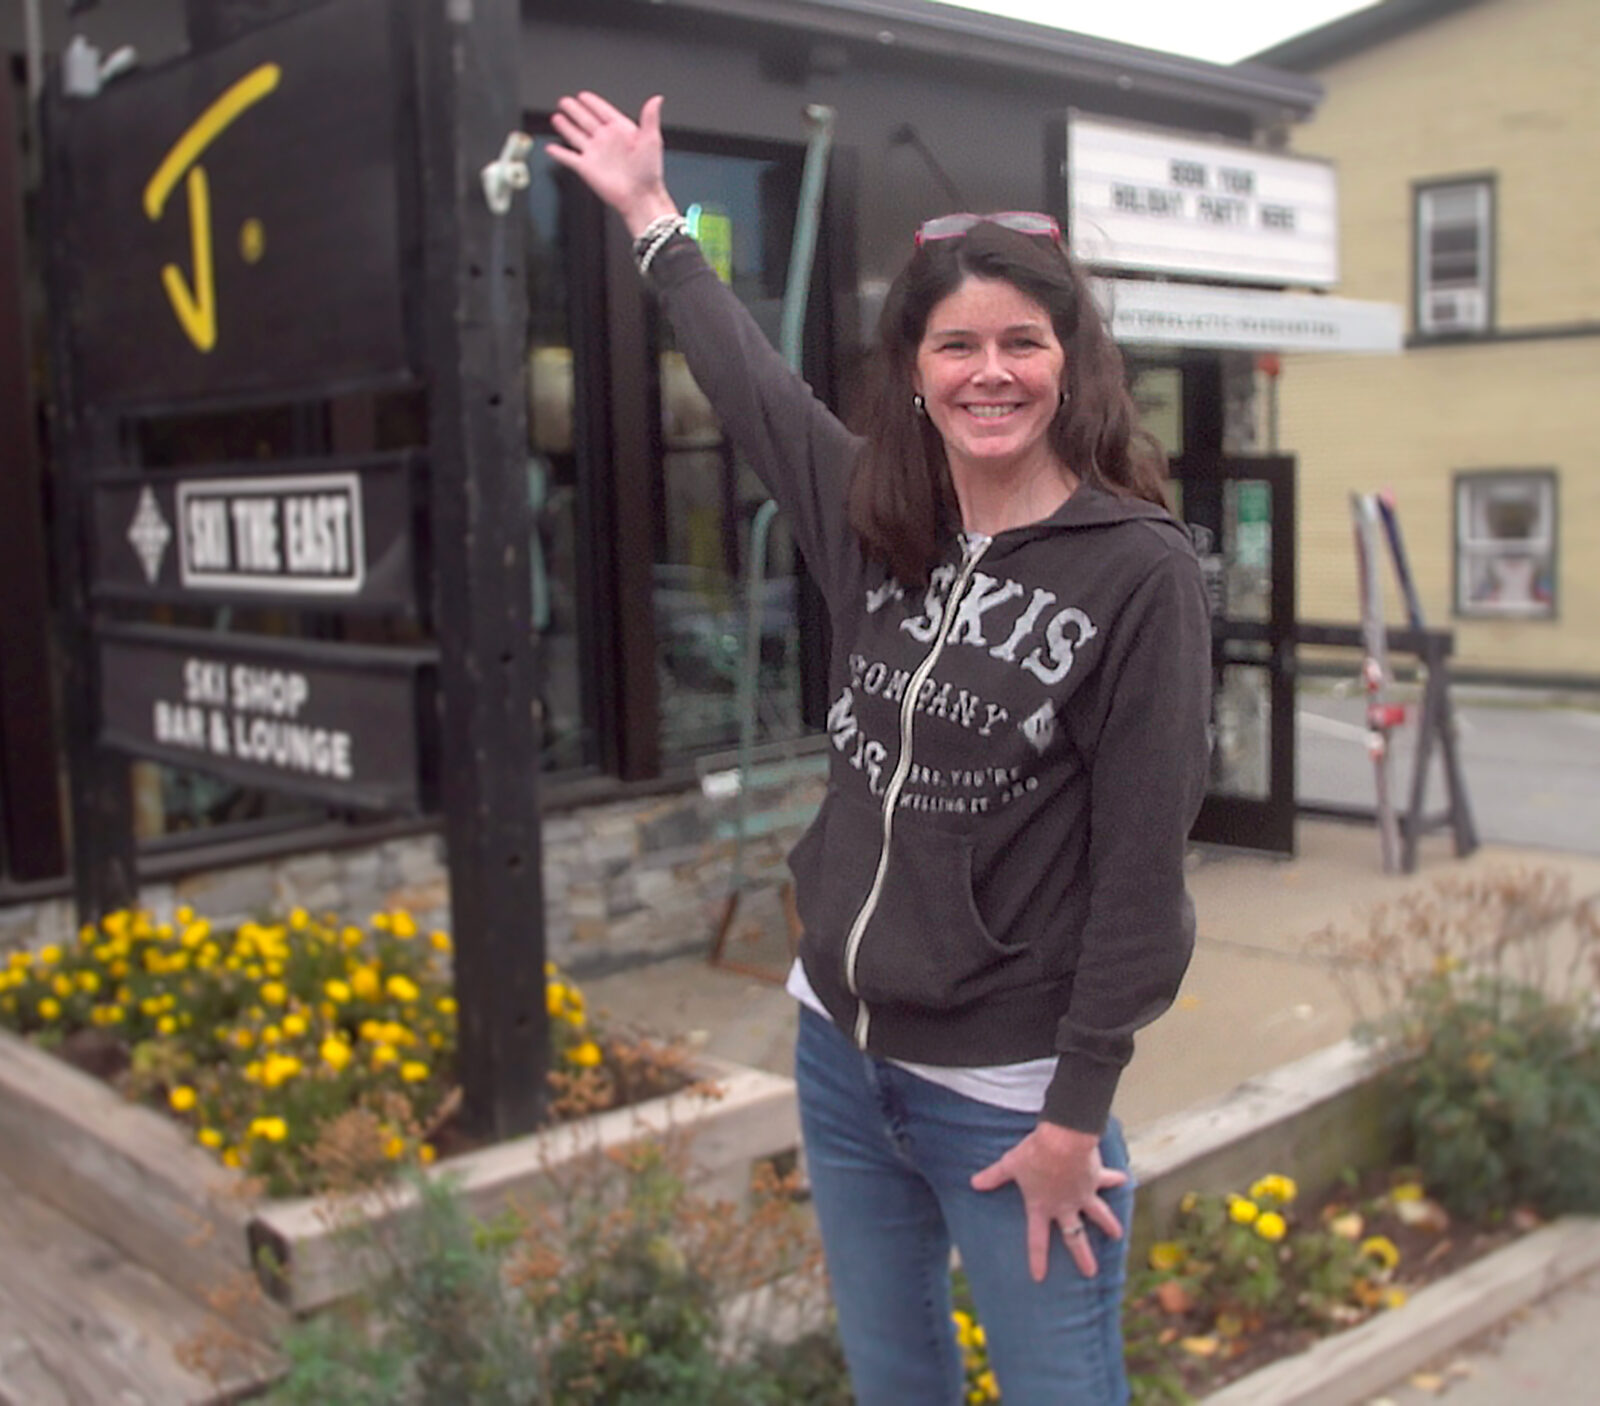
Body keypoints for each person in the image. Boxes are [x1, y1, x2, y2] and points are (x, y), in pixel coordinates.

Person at [549, 91, 1211, 1406]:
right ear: (915, 368)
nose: (989, 371)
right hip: (840, 1059)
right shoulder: (879, 522)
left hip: (1010, 1094)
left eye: (1022, 341)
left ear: (1071, 363)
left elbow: (1143, 878)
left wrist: (1075, 1113)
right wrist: (651, 212)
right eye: (956, 343)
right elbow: (750, 386)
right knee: (895, 1378)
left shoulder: (1139, 573)